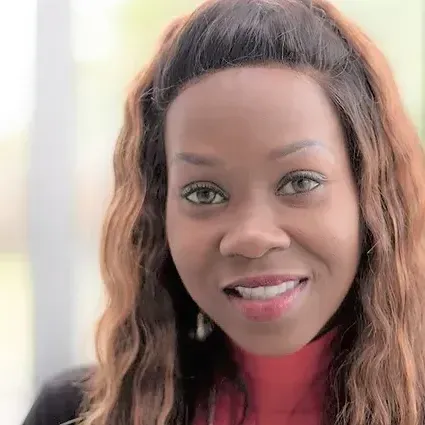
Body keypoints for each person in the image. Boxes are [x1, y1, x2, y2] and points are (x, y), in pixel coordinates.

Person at [23, 0, 425, 424]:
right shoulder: (75, 414)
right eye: (204, 193)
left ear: (371, 197)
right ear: (159, 217)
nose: (252, 235)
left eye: (300, 182)